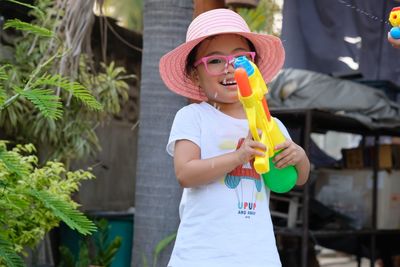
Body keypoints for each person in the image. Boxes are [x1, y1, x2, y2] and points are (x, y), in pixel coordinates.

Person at [159, 8, 310, 267]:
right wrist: (239, 156)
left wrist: (300, 157)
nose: (230, 68)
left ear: (254, 68)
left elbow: (295, 180)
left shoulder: (271, 124)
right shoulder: (193, 117)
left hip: (257, 255)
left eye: (241, 58)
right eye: (215, 61)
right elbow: (185, 173)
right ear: (196, 74)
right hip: (201, 256)